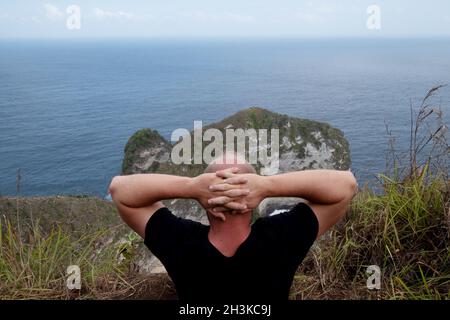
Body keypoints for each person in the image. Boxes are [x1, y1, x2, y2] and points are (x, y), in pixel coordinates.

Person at [108, 153, 357, 301]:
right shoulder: (282, 238)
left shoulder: (179, 241)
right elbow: (345, 185)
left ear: (208, 203)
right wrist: (267, 186)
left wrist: (191, 187)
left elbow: (120, 190)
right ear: (251, 200)